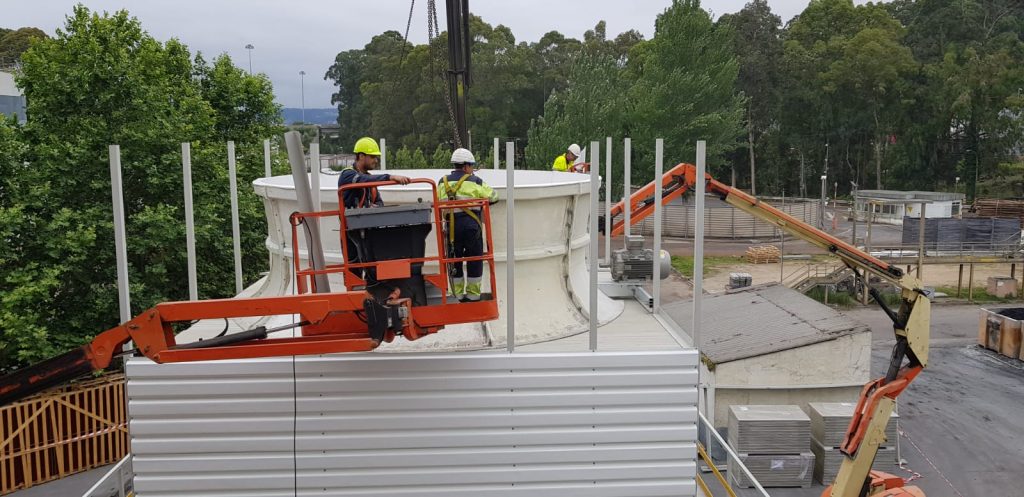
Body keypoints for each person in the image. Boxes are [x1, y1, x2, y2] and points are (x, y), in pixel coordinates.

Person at [438, 148, 498, 302]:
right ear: (465, 166)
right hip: (472, 227)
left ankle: (457, 295)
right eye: (471, 166)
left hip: (451, 228)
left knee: (453, 260)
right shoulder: (475, 181)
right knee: (474, 260)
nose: (472, 169)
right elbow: (493, 196)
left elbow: (438, 201)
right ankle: (473, 295)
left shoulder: (442, 182)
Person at [338, 137, 411, 208]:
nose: (376, 161)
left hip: (366, 219)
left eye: (376, 157)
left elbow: (379, 202)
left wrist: (376, 207)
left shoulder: (370, 178)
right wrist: (390, 177)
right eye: (373, 157)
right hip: (352, 219)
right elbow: (362, 179)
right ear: (361, 156)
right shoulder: (347, 174)